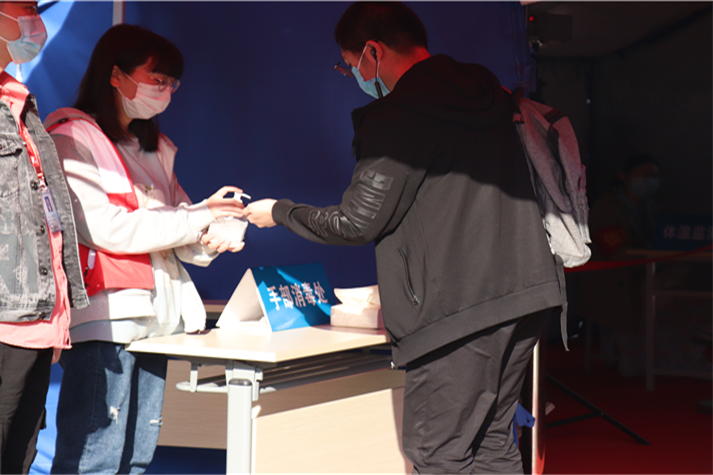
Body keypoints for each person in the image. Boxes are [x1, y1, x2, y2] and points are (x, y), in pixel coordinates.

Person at [245, 2, 563, 473]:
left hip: (459, 308)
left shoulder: (399, 115)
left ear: (373, 51)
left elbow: (358, 222)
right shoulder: (490, 93)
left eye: (351, 65)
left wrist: (279, 212)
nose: (354, 76)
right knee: (493, 442)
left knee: (436, 451)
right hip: (527, 292)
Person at [43, 24, 245, 473]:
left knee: (136, 457)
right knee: (93, 458)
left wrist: (216, 232)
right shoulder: (71, 137)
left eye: (172, 83)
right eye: (157, 79)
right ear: (115, 75)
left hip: (159, 319)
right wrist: (199, 217)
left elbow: (179, 233)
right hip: (107, 318)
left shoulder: (155, 149)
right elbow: (107, 229)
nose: (165, 90)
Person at [0, 2, 89, 473]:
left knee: (16, 460)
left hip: (30, 329)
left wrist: (55, 318)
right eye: (26, 7)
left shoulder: (17, 101)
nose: (35, 20)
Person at [576, 153, 659, 375]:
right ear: (625, 177)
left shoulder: (648, 207)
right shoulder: (607, 207)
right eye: (644, 175)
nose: (650, 180)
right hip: (613, 280)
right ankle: (628, 359)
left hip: (640, 273)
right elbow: (617, 253)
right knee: (633, 302)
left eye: (654, 176)